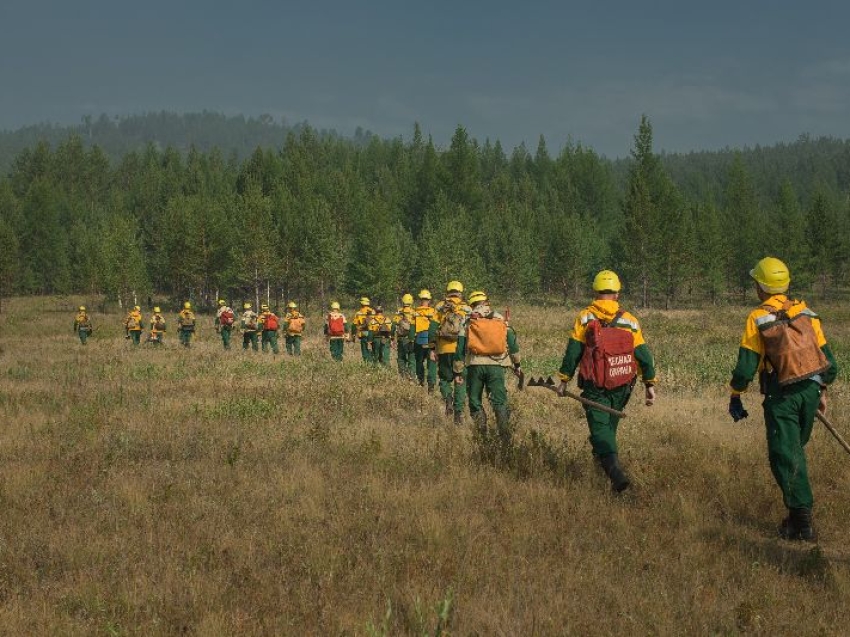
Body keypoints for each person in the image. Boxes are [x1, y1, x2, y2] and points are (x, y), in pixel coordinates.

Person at [728, 257, 837, 541]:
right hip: (810, 392)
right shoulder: (807, 313)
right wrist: (821, 390)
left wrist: (735, 393)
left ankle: (802, 523)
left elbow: (745, 367)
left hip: (783, 395)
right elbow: (830, 364)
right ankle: (794, 517)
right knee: (794, 452)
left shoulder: (757, 318)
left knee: (784, 455)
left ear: (761, 287)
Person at [556, 270, 656, 493]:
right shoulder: (630, 320)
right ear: (617, 294)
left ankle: (616, 476)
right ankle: (601, 476)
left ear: (595, 292)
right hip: (623, 386)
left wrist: (564, 380)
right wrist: (650, 384)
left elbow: (573, 352)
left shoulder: (585, 317)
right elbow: (644, 355)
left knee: (600, 430)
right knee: (607, 429)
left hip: (596, 388)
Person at [453, 291, 521, 457]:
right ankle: (505, 437)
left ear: (472, 303)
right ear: (486, 302)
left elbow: (460, 347)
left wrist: (458, 370)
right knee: (499, 400)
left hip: (475, 366)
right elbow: (511, 341)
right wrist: (517, 364)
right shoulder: (498, 318)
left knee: (475, 400)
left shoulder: (468, 320)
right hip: (496, 366)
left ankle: (482, 435)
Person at [435, 280, 472, 423]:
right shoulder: (467, 308)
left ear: (448, 292)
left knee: (444, 379)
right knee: (460, 380)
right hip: (461, 349)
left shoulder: (440, 307)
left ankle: (448, 399)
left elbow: (433, 327)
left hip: (444, 348)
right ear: (460, 293)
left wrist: (433, 348)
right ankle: (458, 413)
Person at [412, 289, 438, 392]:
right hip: (431, 339)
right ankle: (431, 386)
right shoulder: (433, 312)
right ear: (429, 300)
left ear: (420, 300)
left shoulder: (415, 312)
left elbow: (412, 328)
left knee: (419, 361)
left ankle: (420, 381)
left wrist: (410, 339)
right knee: (432, 363)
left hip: (420, 339)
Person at [392, 293, 416, 379]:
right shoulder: (414, 312)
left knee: (401, 357)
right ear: (411, 301)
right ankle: (412, 374)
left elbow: (394, 326)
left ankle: (403, 374)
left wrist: (393, 339)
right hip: (412, 339)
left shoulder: (399, 312)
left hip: (401, 339)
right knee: (412, 357)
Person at [351, 297, 375, 362]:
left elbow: (354, 325)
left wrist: (353, 335)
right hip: (373, 333)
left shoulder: (358, 313)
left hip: (363, 333)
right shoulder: (373, 311)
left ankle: (367, 363)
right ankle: (373, 362)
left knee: (364, 350)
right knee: (373, 349)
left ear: (361, 303)